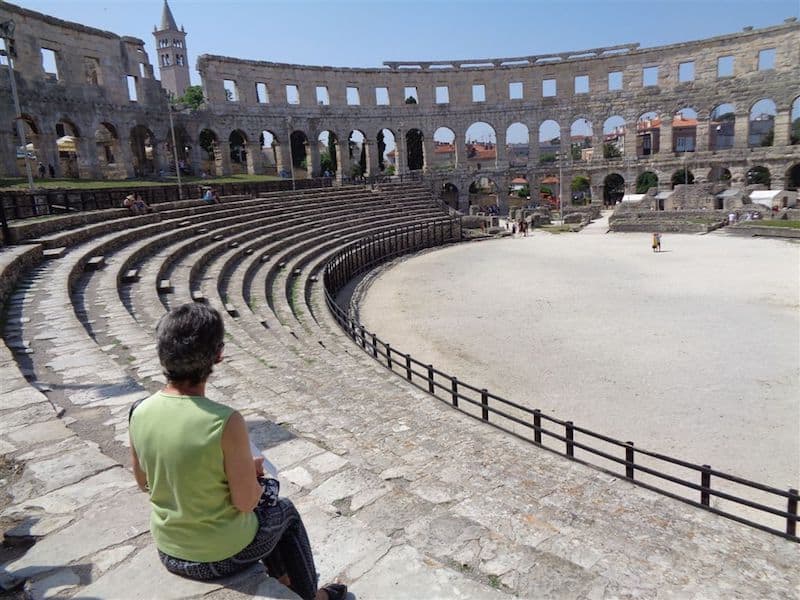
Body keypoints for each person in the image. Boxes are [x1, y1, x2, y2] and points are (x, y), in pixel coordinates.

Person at [128, 304, 346, 600]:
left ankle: (282, 579)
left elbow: (144, 483)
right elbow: (245, 502)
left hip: (170, 550)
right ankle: (311, 597)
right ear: (218, 355)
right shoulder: (224, 420)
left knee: (268, 517)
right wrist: (252, 475)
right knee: (284, 512)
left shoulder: (139, 412)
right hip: (219, 558)